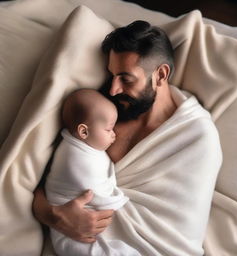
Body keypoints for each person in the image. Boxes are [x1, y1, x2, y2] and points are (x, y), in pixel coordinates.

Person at [33, 20, 221, 255]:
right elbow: (45, 178)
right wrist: (53, 216)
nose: (114, 89)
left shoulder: (197, 138)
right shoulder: (100, 112)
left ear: (161, 75)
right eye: (112, 75)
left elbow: (178, 238)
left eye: (126, 78)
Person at [44, 88, 140, 256]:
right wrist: (118, 200)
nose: (114, 134)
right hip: (70, 233)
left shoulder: (85, 144)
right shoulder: (74, 158)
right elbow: (96, 194)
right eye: (109, 129)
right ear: (83, 131)